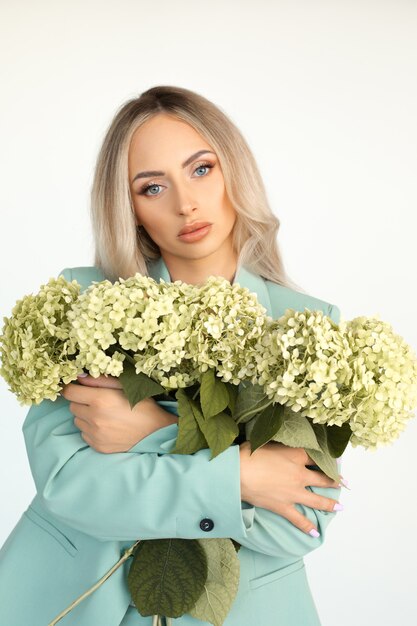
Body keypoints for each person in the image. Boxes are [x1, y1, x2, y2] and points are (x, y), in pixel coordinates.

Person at [0, 85, 344, 626]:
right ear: (130, 208)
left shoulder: (305, 324)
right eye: (153, 186)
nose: (185, 204)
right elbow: (72, 484)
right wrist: (240, 476)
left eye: (201, 170)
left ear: (234, 171)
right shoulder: (83, 303)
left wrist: (151, 432)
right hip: (71, 601)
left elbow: (298, 521)